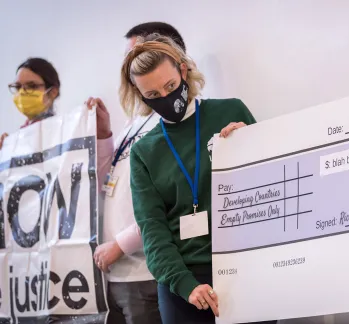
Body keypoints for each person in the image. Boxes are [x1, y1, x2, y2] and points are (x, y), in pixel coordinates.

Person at [123, 34, 275, 324]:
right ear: (140, 95)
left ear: (183, 71)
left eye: (170, 86)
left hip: (246, 269)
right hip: (184, 283)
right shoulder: (144, 152)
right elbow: (152, 232)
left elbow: (273, 188)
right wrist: (184, 284)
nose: (166, 98)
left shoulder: (230, 111)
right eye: (153, 95)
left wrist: (250, 147)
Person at [90, 21, 187, 324]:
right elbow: (107, 182)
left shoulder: (174, 120)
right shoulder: (134, 123)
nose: (132, 65)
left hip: (145, 271)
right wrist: (105, 136)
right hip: (116, 275)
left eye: (139, 55)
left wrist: (120, 246)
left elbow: (168, 204)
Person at [1, 57, 111, 150]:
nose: (22, 93)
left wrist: (102, 135)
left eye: (32, 86)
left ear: (53, 92)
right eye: (18, 87)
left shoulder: (68, 134)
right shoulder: (13, 141)